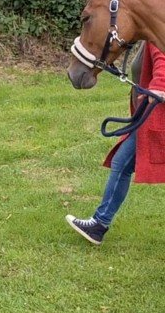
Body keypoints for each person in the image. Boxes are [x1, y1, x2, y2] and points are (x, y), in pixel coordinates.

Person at [66, 41, 165, 245]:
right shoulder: (148, 36)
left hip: (154, 115)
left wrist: (159, 87)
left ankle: (99, 225)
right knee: (122, 164)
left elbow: (163, 60)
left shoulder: (157, 34)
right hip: (147, 114)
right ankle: (99, 225)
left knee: (121, 165)